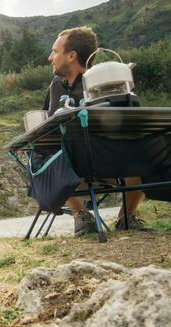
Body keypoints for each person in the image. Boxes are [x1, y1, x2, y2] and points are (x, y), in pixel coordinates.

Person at [43, 26, 151, 235]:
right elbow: (44, 123)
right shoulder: (56, 85)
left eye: (55, 52)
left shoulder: (106, 81)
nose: (50, 58)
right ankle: (81, 215)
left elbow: (127, 123)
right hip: (71, 161)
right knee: (42, 151)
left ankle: (126, 217)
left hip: (109, 158)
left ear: (72, 56)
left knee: (141, 147)